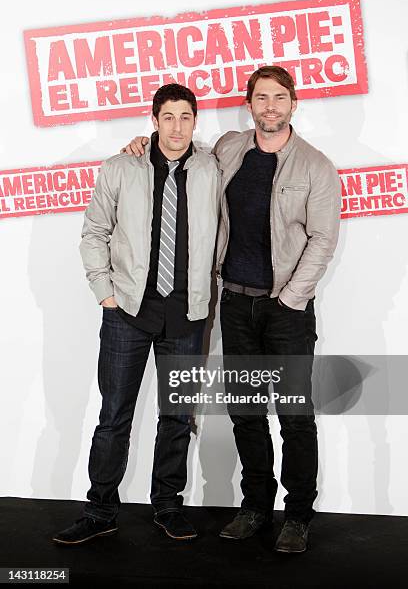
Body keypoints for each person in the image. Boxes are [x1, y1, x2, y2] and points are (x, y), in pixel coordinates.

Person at [123, 66, 341, 553]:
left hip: (287, 311)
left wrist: (288, 298)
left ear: (293, 104)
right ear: (250, 104)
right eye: (261, 97)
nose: (270, 106)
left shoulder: (315, 166)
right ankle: (256, 507)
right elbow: (182, 158)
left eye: (278, 98)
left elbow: (324, 240)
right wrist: (141, 144)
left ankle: (298, 514)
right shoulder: (228, 149)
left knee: (294, 416)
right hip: (236, 306)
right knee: (245, 412)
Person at [52, 83, 219, 545]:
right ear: (153, 120)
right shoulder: (120, 167)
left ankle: (168, 506)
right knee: (114, 416)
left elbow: (221, 231)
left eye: (186, 117)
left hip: (186, 314)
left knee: (177, 417)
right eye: (168, 117)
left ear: (194, 121)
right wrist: (105, 293)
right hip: (128, 310)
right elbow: (94, 232)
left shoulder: (211, 169)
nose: (177, 127)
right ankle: (100, 509)